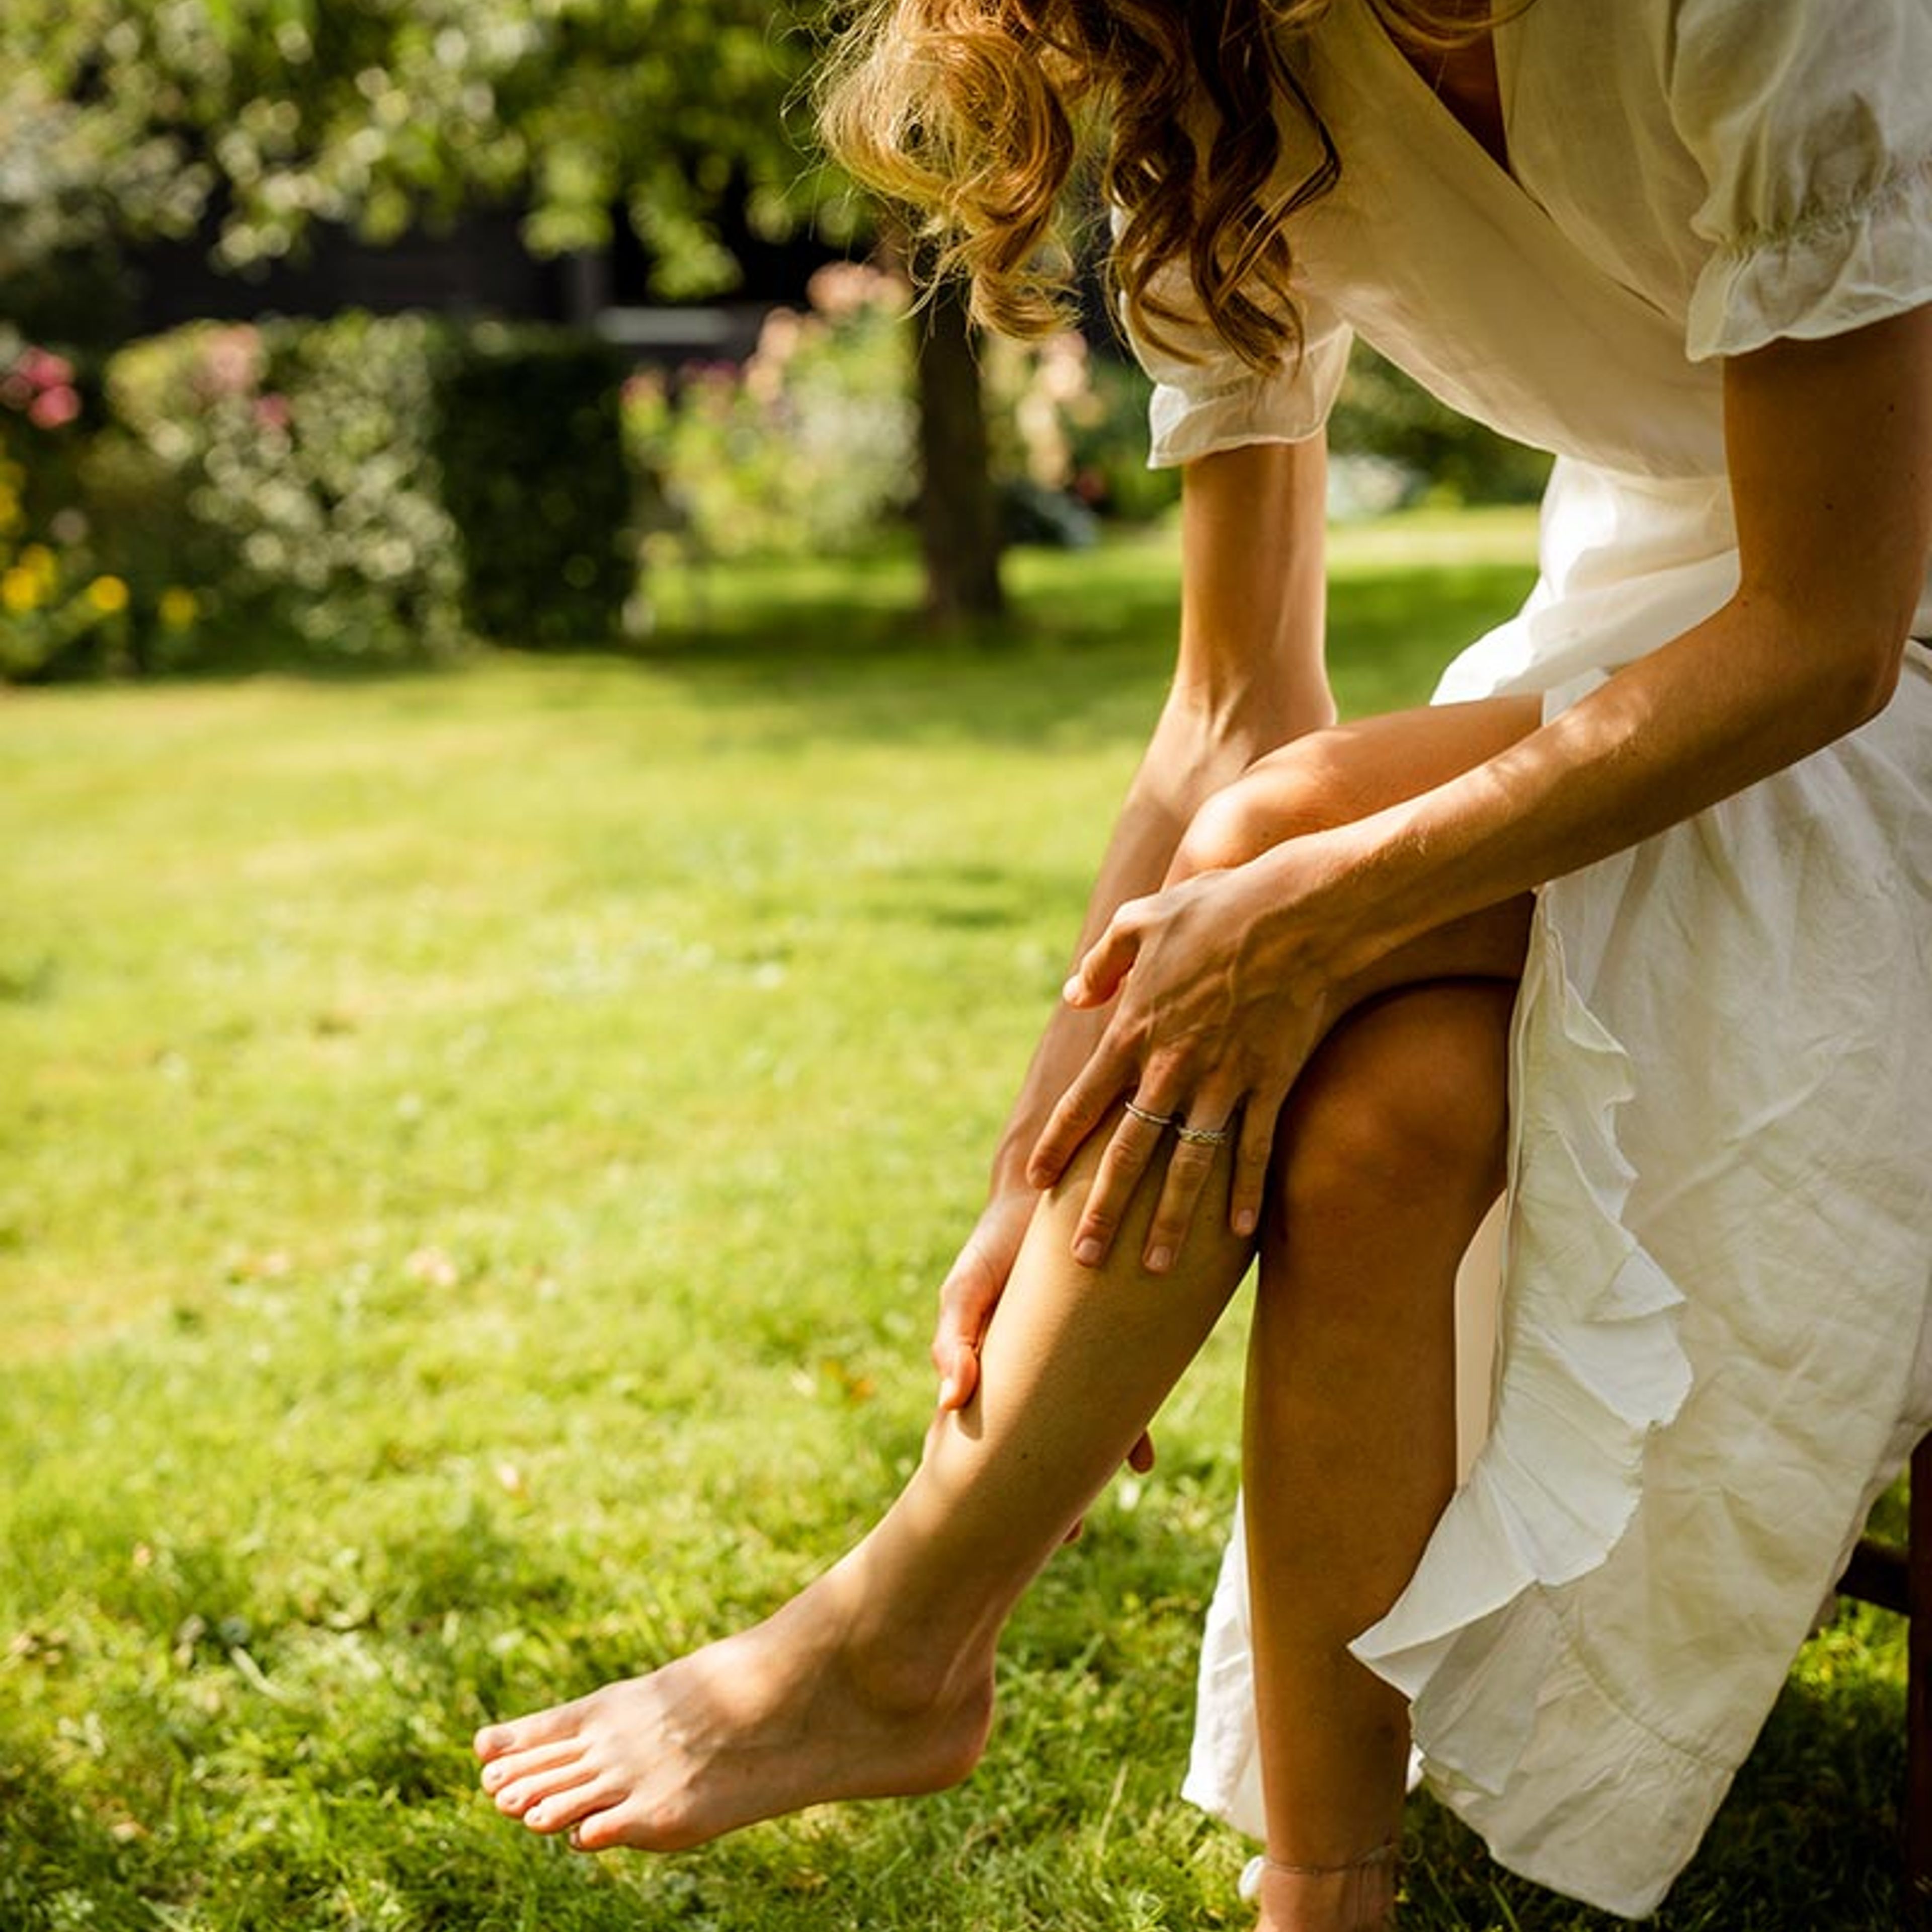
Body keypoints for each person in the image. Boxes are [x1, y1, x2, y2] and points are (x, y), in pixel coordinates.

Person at [473, 1, 1932, 1923]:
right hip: (1661, 625)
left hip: (1849, 640)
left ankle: (903, 1635)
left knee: (1288, 845)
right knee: (1385, 1117)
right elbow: (1232, 703)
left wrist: (1318, 902)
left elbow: (1829, 632)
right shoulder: (1225, 75)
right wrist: (1037, 1162)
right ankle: (1324, 1891)